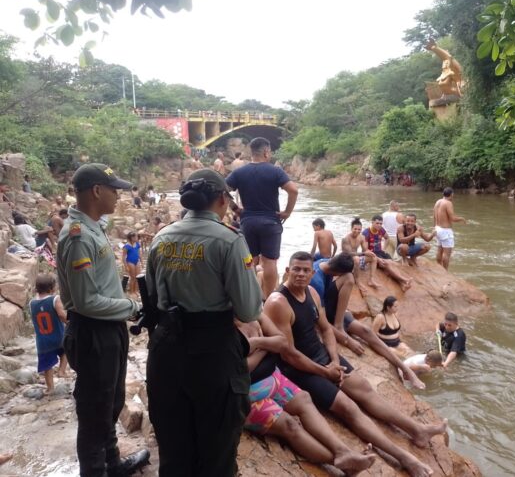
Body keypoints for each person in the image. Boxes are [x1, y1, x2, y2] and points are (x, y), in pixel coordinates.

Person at [266, 252, 446, 477]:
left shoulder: (312, 292)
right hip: (299, 369)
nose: (301, 274)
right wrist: (326, 371)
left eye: (305, 270)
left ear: (313, 273)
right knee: (349, 408)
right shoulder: (278, 303)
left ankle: (417, 431)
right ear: (287, 270)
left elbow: (325, 329)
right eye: (296, 269)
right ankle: (405, 459)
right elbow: (289, 354)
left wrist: (333, 359)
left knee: (365, 390)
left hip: (322, 357)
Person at [146, 168, 262, 476]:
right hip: (213, 353)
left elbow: (154, 296)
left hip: (166, 349)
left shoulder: (162, 237)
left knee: (173, 446)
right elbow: (250, 309)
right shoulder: (229, 241)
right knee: (218, 450)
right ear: (222, 199)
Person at [57, 163, 149, 477]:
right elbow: (86, 301)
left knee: (110, 403)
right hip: (93, 331)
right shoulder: (79, 236)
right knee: (95, 412)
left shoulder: (94, 226)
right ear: (97, 191)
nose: (118, 195)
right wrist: (131, 307)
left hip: (107, 329)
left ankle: (112, 463)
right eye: (114, 189)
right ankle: (95, 471)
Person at [237, 315, 375, 474]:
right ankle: (341, 462)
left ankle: (342, 451)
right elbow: (241, 368)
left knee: (304, 399)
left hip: (274, 378)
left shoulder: (255, 314)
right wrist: (268, 345)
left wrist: (257, 344)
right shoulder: (222, 328)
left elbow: (283, 343)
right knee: (290, 425)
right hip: (248, 395)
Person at [310, 254, 424, 389]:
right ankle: (339, 325)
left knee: (367, 331)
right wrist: (347, 340)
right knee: (349, 278)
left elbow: (353, 257)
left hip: (330, 308)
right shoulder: (315, 283)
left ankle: (406, 369)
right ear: (338, 272)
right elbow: (320, 321)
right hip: (322, 314)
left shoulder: (325, 262)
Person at [226, 137, 299, 298]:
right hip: (270, 222)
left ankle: (251, 297)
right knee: (270, 262)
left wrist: (236, 209)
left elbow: (222, 191)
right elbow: (293, 190)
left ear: (251, 153)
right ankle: (268, 297)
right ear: (266, 152)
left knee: (250, 260)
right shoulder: (275, 171)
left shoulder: (239, 172)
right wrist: (287, 212)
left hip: (248, 222)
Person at [29, 273, 68, 393]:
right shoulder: (55, 299)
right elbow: (62, 315)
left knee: (47, 366)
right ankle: (62, 371)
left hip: (43, 341)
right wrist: (69, 321)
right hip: (58, 336)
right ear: (52, 288)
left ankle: (50, 388)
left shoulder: (32, 303)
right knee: (66, 351)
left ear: (36, 288)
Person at [361, 216, 412, 291]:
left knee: (391, 264)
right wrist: (377, 259)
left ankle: (402, 285)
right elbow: (365, 249)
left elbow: (387, 238)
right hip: (371, 255)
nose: (379, 225)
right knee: (387, 264)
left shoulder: (381, 230)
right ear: (372, 223)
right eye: (377, 223)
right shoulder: (366, 232)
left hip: (380, 252)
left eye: (381, 223)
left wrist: (384, 248)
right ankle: (404, 280)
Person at [341, 218, 381, 291]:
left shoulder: (362, 237)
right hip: (346, 261)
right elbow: (349, 254)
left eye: (359, 229)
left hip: (356, 259)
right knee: (356, 258)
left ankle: (371, 280)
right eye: (355, 229)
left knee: (374, 257)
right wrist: (363, 253)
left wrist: (372, 254)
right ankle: (357, 281)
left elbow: (365, 250)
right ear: (351, 228)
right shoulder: (346, 239)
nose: (357, 231)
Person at [433, 187, 466, 271]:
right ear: (451, 194)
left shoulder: (438, 202)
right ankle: (445, 271)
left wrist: (434, 227)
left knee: (439, 250)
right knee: (446, 253)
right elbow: (452, 218)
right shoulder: (448, 203)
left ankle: (438, 268)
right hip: (445, 230)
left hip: (437, 228)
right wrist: (461, 219)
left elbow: (434, 216)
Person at [121, 232, 141, 297]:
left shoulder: (137, 244)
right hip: (130, 262)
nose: (137, 238)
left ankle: (136, 291)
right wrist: (126, 266)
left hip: (137, 261)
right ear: (132, 238)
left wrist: (142, 262)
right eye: (136, 237)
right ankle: (131, 292)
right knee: (133, 278)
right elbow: (123, 257)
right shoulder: (126, 246)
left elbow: (139, 253)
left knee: (138, 277)